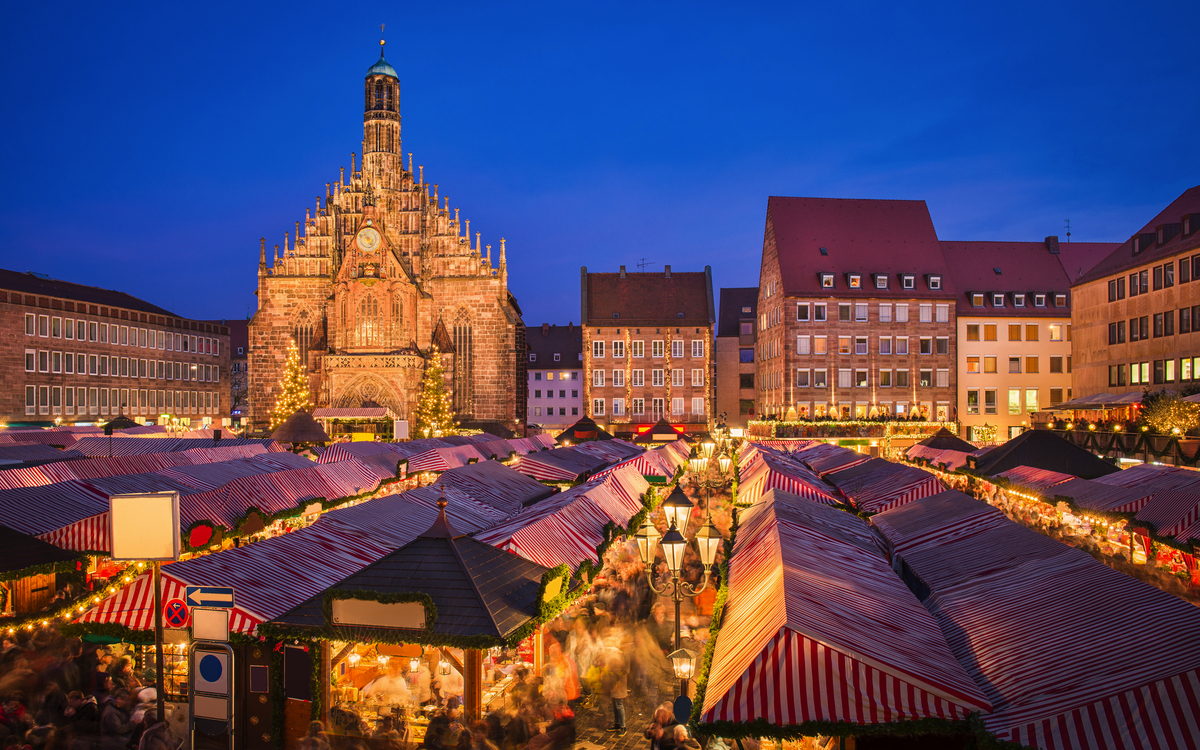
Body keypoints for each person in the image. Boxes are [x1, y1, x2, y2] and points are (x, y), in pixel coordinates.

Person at [600, 647, 628, 736]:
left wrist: (615, 687)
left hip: (619, 691)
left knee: (619, 706)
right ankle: (617, 724)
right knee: (615, 707)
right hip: (614, 691)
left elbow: (621, 681)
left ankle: (623, 726)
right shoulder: (613, 669)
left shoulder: (620, 670)